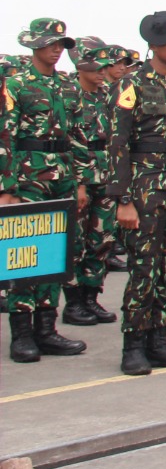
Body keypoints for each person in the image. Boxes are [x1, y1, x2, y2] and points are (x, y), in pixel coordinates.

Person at [107, 11, 166, 376]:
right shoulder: (131, 84)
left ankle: (159, 340)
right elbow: (117, 144)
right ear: (153, 45)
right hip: (144, 189)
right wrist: (123, 200)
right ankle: (133, 344)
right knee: (143, 268)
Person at [2, 18, 89, 362]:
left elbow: (79, 137)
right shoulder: (16, 84)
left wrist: (81, 181)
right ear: (35, 46)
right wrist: (6, 188)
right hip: (28, 175)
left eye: (61, 46)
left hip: (63, 176)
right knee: (25, 252)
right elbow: (4, 137)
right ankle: (21, 333)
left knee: (56, 251)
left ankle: (47, 329)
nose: (57, 51)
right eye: (52, 44)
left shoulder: (68, 86)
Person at [61, 38, 126, 327]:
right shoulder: (69, 96)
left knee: (102, 239)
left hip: (106, 174)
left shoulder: (108, 95)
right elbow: (69, 142)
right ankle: (74, 303)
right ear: (80, 66)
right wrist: (80, 184)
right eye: (97, 66)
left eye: (106, 66)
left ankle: (91, 296)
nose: (103, 71)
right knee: (75, 241)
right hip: (81, 176)